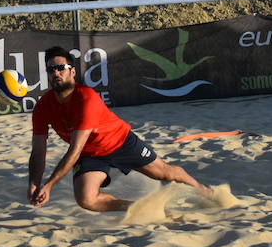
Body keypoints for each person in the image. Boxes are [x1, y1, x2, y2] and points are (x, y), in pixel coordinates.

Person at [28, 46, 215, 212]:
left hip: (119, 141)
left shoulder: (86, 98)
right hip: (90, 154)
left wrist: (49, 185)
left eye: (61, 68)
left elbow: (74, 151)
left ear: (72, 72)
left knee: (164, 173)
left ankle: (206, 192)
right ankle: (137, 208)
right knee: (86, 200)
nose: (56, 73)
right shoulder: (43, 107)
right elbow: (38, 152)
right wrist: (34, 184)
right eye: (51, 69)